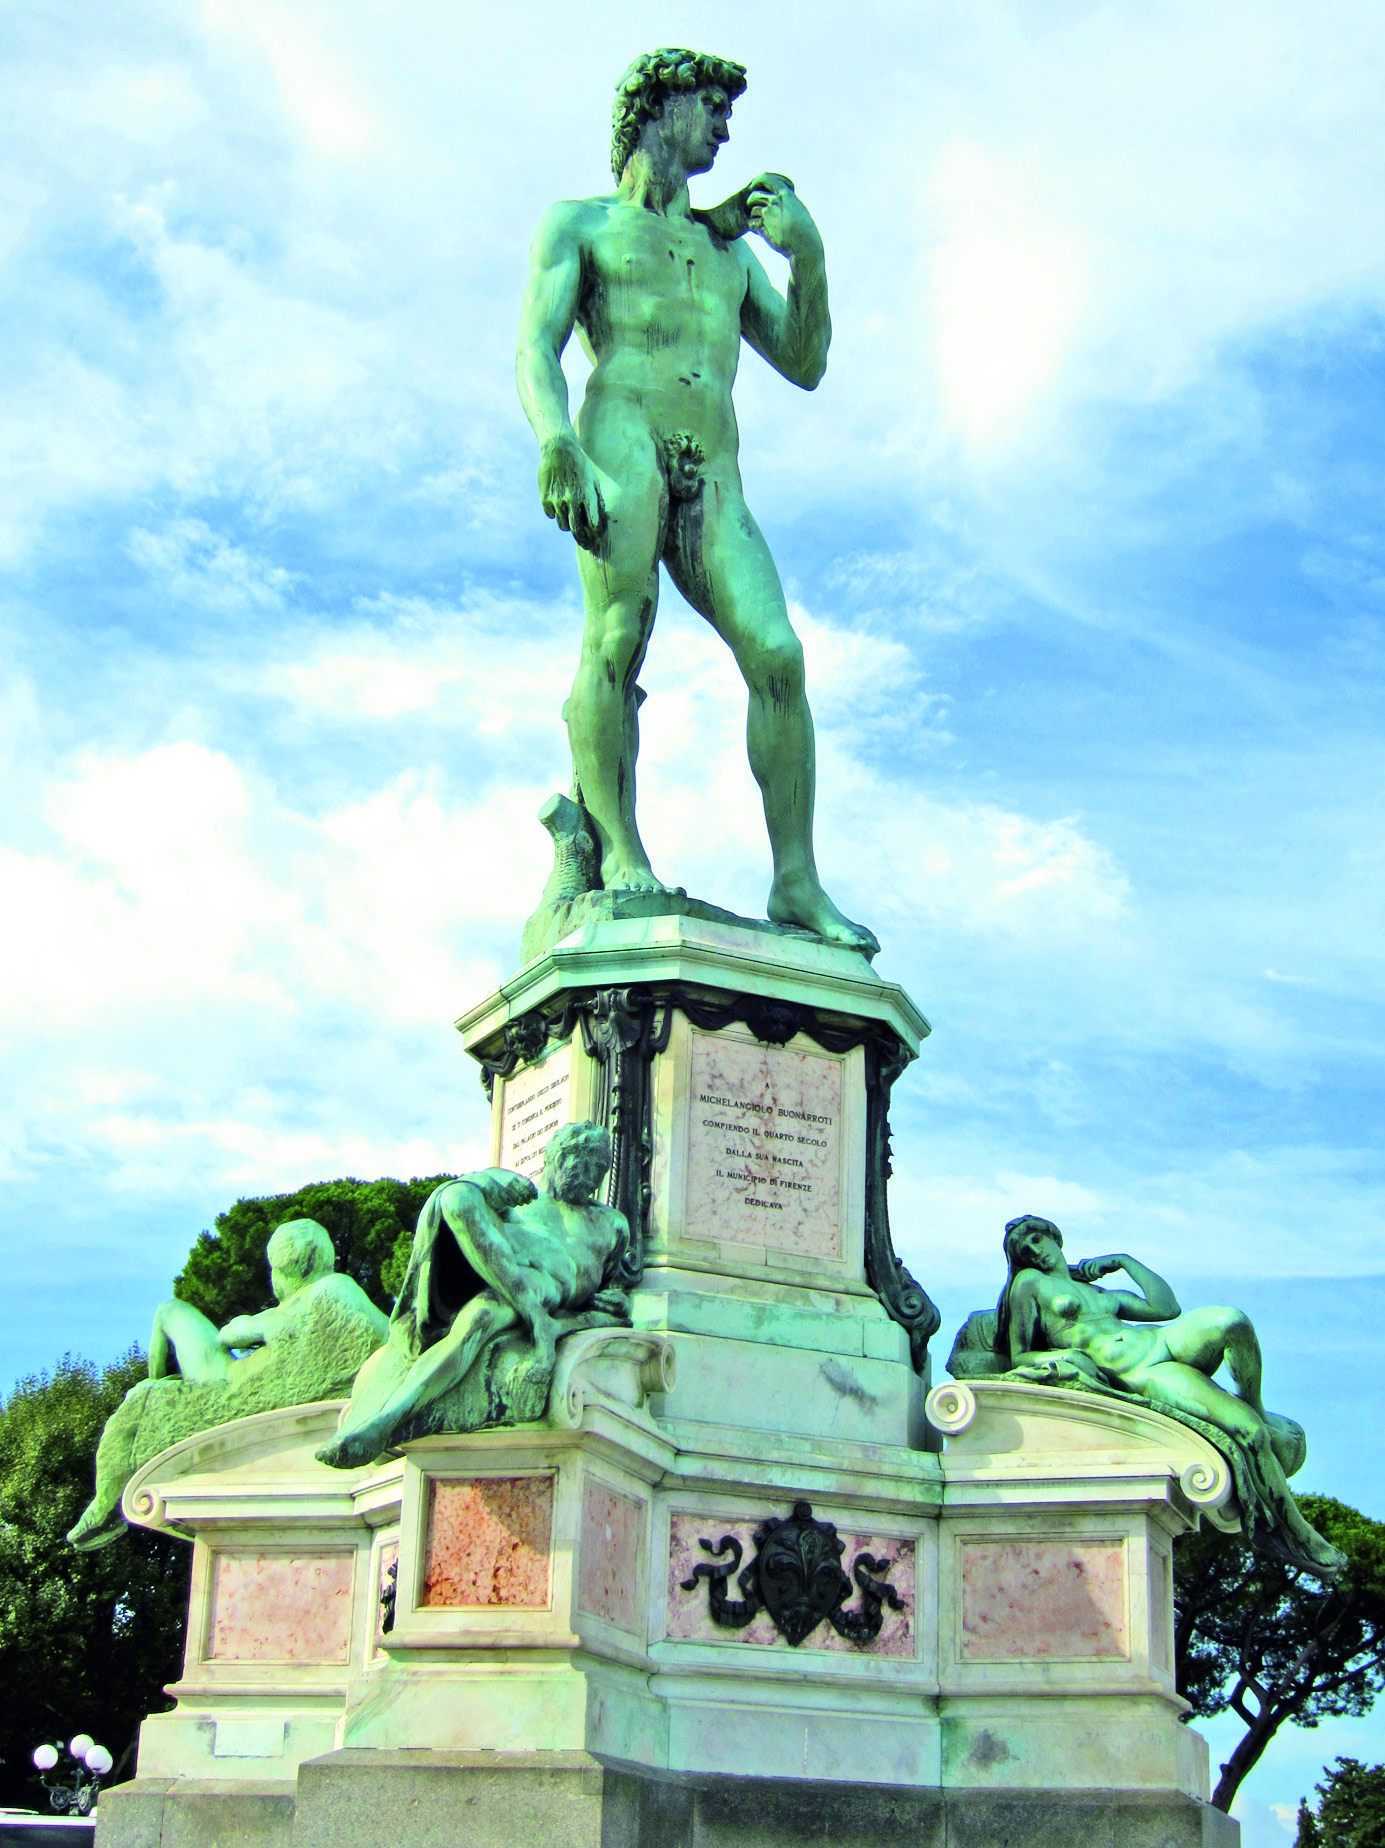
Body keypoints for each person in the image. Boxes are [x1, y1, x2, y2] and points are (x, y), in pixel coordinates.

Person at [516, 48, 877, 955]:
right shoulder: (581, 223)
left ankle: (796, 881)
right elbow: (535, 346)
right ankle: (617, 847)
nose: (722, 127)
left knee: (778, 653)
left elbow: (803, 362)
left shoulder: (725, 250)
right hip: (621, 435)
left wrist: (808, 257)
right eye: (710, 106)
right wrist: (556, 441)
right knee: (615, 639)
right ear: (657, 108)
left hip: (713, 462)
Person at [950, 1214, 1346, 1579]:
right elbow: (1021, 1355)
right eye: (1024, 1249)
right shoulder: (1028, 1285)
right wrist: (1066, 1357)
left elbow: (1166, 1307)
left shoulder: (1094, 1290)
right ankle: (1301, 1535)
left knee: (1232, 1320)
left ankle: (1255, 1403)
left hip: (1162, 1341)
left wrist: (1124, 1260)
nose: (1034, 1251)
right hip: (1145, 1372)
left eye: (1037, 1239)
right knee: (1251, 1433)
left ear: (1054, 1237)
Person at [318, 1122, 631, 1468]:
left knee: (479, 1318)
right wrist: (484, 1182)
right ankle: (383, 1422)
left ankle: (388, 1421)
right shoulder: (519, 1204)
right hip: (510, 1277)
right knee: (457, 1198)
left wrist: (616, 1298)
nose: (593, 1177)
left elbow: (616, 1287)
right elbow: (455, 1203)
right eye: (586, 1163)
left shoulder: (612, 1223)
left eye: (601, 1168)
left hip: (540, 1292)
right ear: (557, 1156)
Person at [68, 1220, 387, 1549]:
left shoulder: (293, 1306)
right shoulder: (348, 1296)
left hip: (229, 1383)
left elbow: (229, 1336)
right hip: (309, 1398)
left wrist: (260, 1325)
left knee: (168, 1313)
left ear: (284, 1271)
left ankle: (110, 1490)